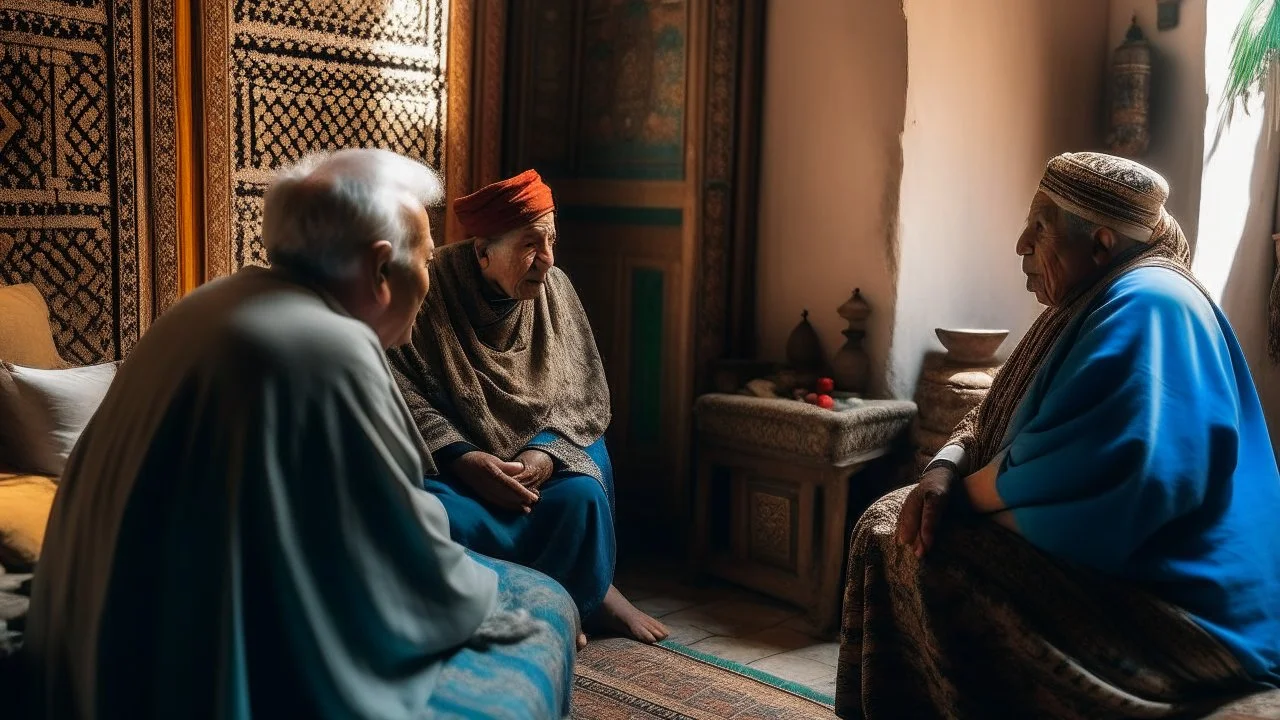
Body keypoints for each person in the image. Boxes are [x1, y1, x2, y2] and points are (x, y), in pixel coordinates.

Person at [21, 149, 577, 719]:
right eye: (428, 261)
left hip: (91, 638)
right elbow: (408, 555)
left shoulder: (209, 303)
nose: (430, 281)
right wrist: (478, 591)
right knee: (546, 611)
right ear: (380, 269)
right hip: (180, 671)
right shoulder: (329, 348)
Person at [836, 152, 1280, 719]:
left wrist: (959, 502)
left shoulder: (1150, 302)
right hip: (1147, 557)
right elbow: (994, 416)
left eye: (1039, 228)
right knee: (898, 516)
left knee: (897, 535)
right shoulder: (1088, 300)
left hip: (1196, 599)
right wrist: (942, 471)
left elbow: (1101, 469)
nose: (1021, 244)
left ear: (1099, 244)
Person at [387, 169, 669, 646]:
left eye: (552, 241)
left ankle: (581, 599)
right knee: (438, 515)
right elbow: (400, 386)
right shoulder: (430, 289)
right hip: (460, 466)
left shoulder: (557, 287)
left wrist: (544, 453)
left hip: (538, 464)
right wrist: (464, 458)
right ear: (483, 253)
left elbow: (583, 388)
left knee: (581, 496)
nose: (548, 260)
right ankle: (511, 610)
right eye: (531, 245)